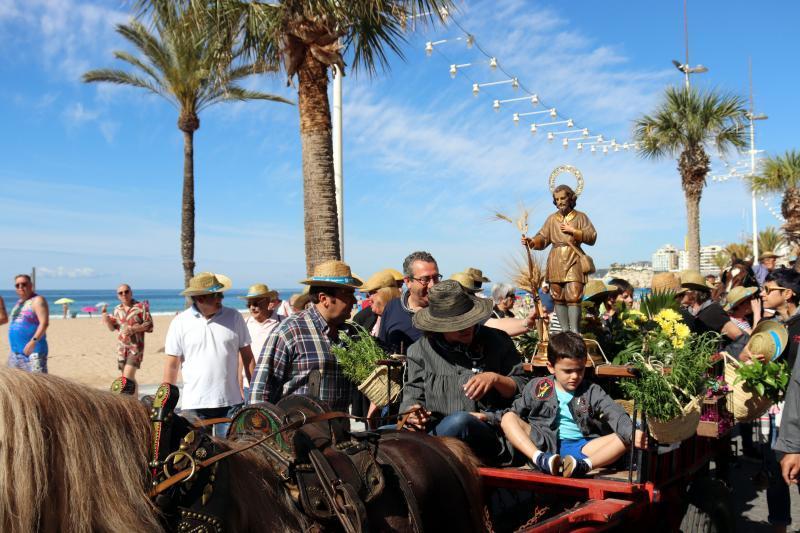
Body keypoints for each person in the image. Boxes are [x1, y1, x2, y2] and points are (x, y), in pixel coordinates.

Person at [399, 280, 528, 463]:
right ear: (438, 326)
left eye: (468, 320)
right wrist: (412, 413)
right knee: (382, 435)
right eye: (456, 325)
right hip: (438, 433)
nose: (466, 328)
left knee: (460, 422)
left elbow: (523, 388)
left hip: (488, 433)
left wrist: (495, 379)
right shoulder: (419, 351)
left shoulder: (498, 341)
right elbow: (412, 396)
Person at [500, 332, 643, 477]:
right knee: (508, 418)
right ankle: (540, 459)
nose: (575, 376)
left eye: (580, 370)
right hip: (544, 444)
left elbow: (613, 411)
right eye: (567, 371)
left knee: (625, 436)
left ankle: (583, 466)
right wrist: (487, 416)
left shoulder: (591, 390)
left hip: (583, 448)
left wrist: (630, 432)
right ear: (550, 367)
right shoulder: (539, 387)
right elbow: (515, 412)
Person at [250, 260, 361, 411]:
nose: (354, 301)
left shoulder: (350, 333)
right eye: (348, 294)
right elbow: (260, 392)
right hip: (297, 432)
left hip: (338, 432)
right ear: (324, 299)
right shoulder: (290, 331)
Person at [380, 251, 538, 353]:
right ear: (407, 281)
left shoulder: (450, 304)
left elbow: (491, 324)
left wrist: (526, 323)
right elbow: (382, 349)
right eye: (425, 280)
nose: (433, 285)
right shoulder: (392, 308)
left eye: (436, 277)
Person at [163, 272, 254, 437]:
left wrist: (255, 392)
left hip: (231, 403)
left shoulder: (234, 317)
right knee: (194, 458)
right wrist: (165, 400)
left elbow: (248, 358)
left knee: (231, 456)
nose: (221, 298)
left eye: (221, 293)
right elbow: (172, 364)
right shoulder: (180, 322)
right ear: (200, 298)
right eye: (215, 295)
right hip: (194, 404)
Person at [522, 184, 597, 333]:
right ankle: (564, 332)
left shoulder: (580, 217)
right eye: (557, 199)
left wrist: (574, 231)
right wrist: (532, 242)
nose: (560, 201)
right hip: (556, 258)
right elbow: (543, 237)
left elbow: (592, 236)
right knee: (558, 296)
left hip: (573, 257)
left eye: (563, 198)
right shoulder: (552, 219)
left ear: (570, 198)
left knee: (574, 295)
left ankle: (575, 332)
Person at [102, 284, 153, 393]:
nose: (124, 294)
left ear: (131, 292)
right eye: (121, 293)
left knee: (126, 378)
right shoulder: (116, 309)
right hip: (121, 349)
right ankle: (136, 403)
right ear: (118, 296)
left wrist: (134, 329)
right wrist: (107, 321)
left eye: (126, 291)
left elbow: (150, 325)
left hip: (135, 349)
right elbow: (113, 328)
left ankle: (129, 404)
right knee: (130, 379)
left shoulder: (141, 307)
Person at [238, 283, 283, 401]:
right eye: (249, 304)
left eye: (256, 303)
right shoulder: (245, 324)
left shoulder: (282, 322)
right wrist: (239, 383)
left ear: (268, 301)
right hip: (250, 386)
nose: (252, 307)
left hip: (277, 385)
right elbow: (242, 357)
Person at [680, 270, 742, 343]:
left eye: (682, 292)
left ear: (694, 293)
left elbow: (740, 338)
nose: (678, 295)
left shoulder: (713, 311)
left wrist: (722, 353)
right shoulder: (689, 311)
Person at [8, 274, 49, 373]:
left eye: (24, 284)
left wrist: (33, 341)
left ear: (31, 285)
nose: (20, 287)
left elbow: (44, 323)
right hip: (16, 353)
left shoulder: (38, 300)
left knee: (37, 385)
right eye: (17, 285)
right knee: (15, 385)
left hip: (34, 353)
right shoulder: (19, 303)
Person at [720, 286, 759, 357]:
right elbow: (754, 338)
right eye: (750, 299)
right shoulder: (733, 322)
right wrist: (757, 313)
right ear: (740, 305)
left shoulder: (744, 318)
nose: (753, 301)